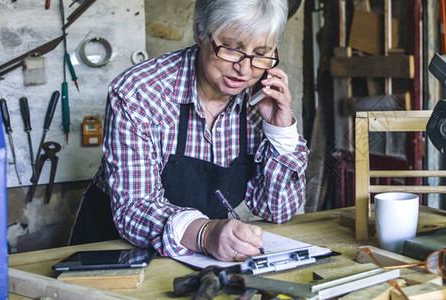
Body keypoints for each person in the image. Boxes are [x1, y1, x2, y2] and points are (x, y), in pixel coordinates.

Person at [69, 0, 308, 262]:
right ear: (200, 32)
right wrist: (205, 234)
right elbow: (134, 208)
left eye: (261, 53)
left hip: (199, 259)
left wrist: (280, 131)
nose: (245, 69)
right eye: (231, 48)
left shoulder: (259, 101)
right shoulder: (139, 93)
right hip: (114, 255)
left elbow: (277, 210)